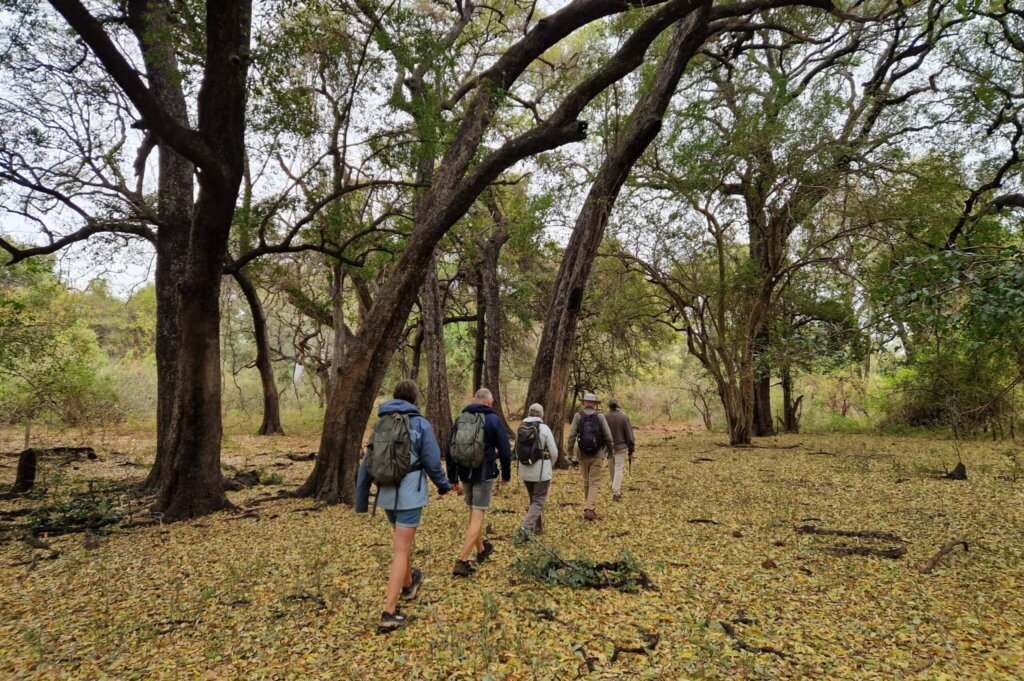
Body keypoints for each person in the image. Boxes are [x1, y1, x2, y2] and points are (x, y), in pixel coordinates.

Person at [355, 379, 452, 633]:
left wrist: (361, 498)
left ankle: (410, 584)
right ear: (415, 399)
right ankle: (389, 612)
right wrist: (443, 485)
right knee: (400, 550)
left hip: (386, 494)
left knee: (402, 544)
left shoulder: (381, 423)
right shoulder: (420, 423)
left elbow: (367, 461)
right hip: (410, 493)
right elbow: (432, 461)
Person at [445, 388, 512, 577]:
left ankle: (481, 550)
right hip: (483, 475)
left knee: (473, 513)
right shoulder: (493, 420)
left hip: (465, 474)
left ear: (475, 401)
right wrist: (506, 475)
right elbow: (505, 451)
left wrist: (452, 478)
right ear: (490, 402)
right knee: (478, 514)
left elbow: (449, 448)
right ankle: (462, 561)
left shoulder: (461, 419)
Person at [567, 392, 614, 521]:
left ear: (584, 403)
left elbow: (571, 435)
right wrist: (611, 451)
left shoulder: (578, 416)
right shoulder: (600, 416)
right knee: (594, 482)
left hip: (582, 454)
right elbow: (608, 435)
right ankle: (589, 508)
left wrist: (569, 453)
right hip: (598, 453)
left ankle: (589, 507)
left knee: (587, 481)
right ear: (594, 404)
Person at [515, 403, 559, 535]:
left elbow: (517, 450)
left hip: (525, 471)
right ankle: (526, 528)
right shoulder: (544, 429)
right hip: (541, 473)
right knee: (538, 501)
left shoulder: (521, 428)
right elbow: (554, 452)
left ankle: (537, 529)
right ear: (541, 415)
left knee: (533, 500)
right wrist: (549, 465)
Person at [604, 399, 636, 502]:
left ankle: (615, 488)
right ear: (618, 406)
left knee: (612, 468)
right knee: (618, 468)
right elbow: (629, 436)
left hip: (608, 448)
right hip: (621, 448)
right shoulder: (624, 417)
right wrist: (631, 450)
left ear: (609, 406)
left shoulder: (604, 417)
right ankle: (616, 492)